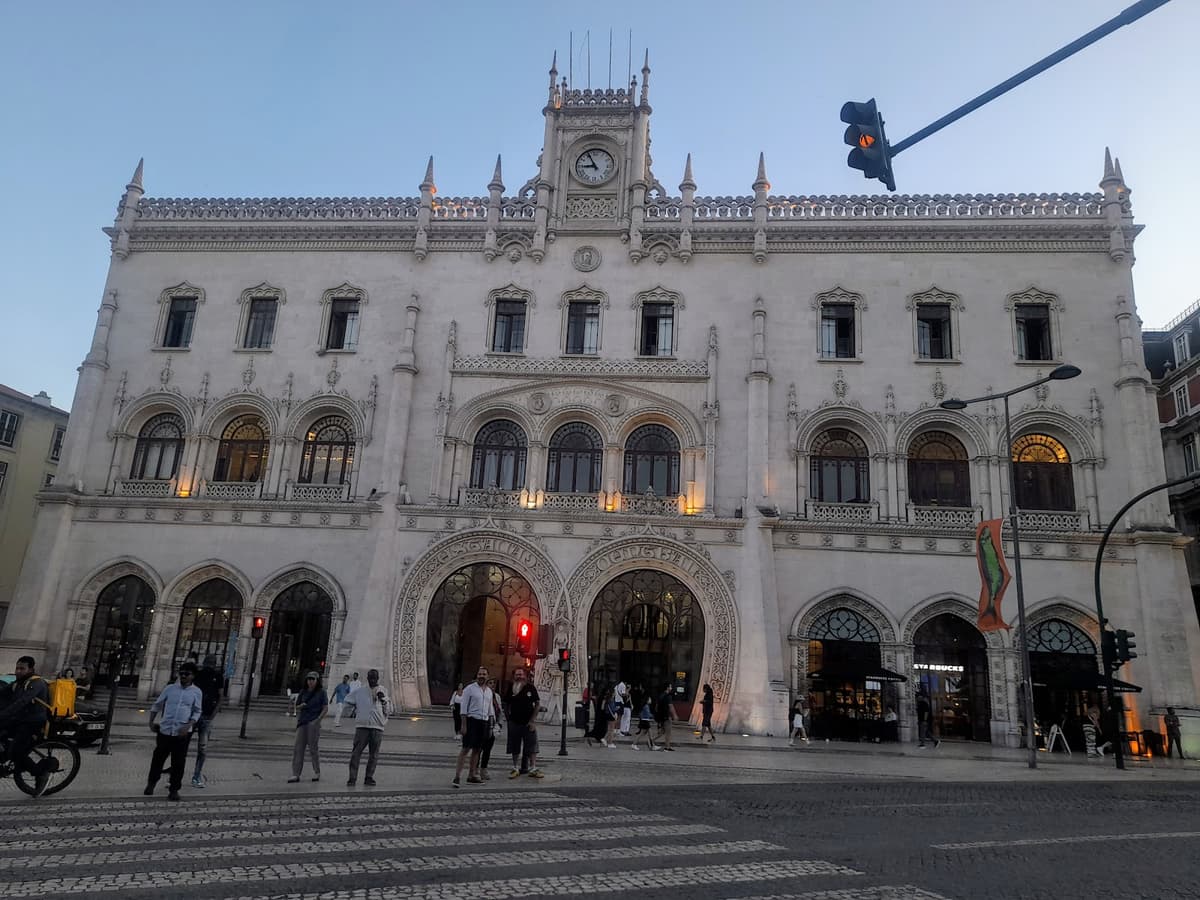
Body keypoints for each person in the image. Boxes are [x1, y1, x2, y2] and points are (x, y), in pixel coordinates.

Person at [144, 661, 203, 801]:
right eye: (181, 673)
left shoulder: (196, 692)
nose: (183, 676)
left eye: (187, 674)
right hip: (165, 730)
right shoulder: (170, 689)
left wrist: (189, 725)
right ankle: (151, 783)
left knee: (178, 763)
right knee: (158, 759)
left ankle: (174, 789)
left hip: (181, 733)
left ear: (193, 676)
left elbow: (197, 711)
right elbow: (157, 704)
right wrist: (151, 722)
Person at [0, 656, 53, 797]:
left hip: (33, 721)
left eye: (22, 669)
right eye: (17, 668)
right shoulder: (18, 683)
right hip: (19, 719)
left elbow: (21, 702)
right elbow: (2, 693)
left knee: (16, 752)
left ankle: (40, 773)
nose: (18, 671)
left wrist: (2, 715)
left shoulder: (37, 683)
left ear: (31, 669)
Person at [344, 668, 391, 786]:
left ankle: (369, 777)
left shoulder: (383, 690)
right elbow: (347, 700)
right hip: (362, 726)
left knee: (373, 754)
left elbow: (389, 710)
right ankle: (352, 778)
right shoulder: (360, 691)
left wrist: (383, 700)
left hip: (377, 727)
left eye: (374, 678)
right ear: (367, 678)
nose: (372, 680)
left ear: (378, 678)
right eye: (370, 678)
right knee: (356, 753)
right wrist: (355, 711)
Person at [454, 666, 494, 786]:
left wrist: (491, 726)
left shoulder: (489, 691)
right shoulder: (469, 689)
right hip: (472, 721)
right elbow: (463, 708)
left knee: (477, 750)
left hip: (484, 722)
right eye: (480, 674)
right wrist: (463, 725)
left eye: (484, 674)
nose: (482, 676)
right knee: (465, 749)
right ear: (477, 675)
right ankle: (457, 776)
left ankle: (472, 775)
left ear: (487, 676)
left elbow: (490, 710)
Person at [289, 671, 328, 782]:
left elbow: (325, 708)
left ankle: (316, 772)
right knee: (298, 748)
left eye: (312, 679)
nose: (310, 681)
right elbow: (295, 706)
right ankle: (296, 774)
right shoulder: (303, 691)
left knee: (313, 749)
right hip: (302, 722)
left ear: (317, 681)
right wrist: (300, 706)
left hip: (313, 722)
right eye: (308, 679)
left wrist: (317, 720)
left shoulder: (322, 692)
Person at [505, 667, 543, 778]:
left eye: (521, 674)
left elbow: (537, 704)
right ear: (514, 676)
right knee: (514, 745)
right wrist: (508, 719)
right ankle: (515, 767)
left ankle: (533, 767)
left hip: (528, 723)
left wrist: (532, 721)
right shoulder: (511, 688)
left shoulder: (530, 688)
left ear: (525, 676)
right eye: (517, 674)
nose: (519, 677)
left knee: (532, 745)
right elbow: (506, 704)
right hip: (514, 722)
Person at [190, 654, 222, 788]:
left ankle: (195, 775)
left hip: (203, 714)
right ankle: (193, 776)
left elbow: (220, 696)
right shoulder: (199, 675)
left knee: (200, 748)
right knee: (198, 748)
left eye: (211, 663)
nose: (210, 665)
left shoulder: (217, 676)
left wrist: (213, 714)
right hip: (197, 715)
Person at [478, 677, 502, 781]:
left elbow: (499, 711)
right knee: (478, 749)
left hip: (493, 726)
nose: (492, 685)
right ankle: (475, 769)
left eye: (494, 683)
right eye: (490, 683)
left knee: (487, 749)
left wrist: (499, 724)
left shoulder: (497, 697)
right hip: (482, 724)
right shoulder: (482, 695)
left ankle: (483, 769)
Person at [656, 684, 676, 751]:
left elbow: (657, 706)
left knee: (662, 731)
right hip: (667, 716)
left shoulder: (660, 695)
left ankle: (652, 740)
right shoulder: (668, 696)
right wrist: (674, 715)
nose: (671, 688)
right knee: (668, 732)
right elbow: (671, 706)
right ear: (667, 688)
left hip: (661, 716)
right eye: (670, 687)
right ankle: (667, 747)